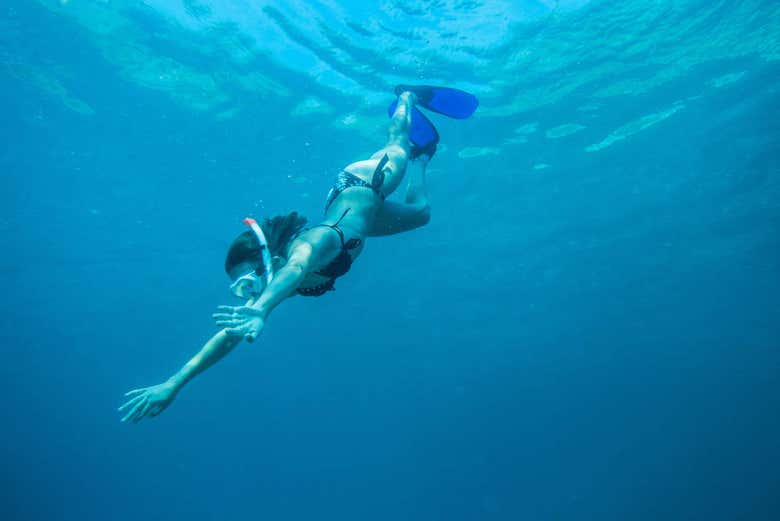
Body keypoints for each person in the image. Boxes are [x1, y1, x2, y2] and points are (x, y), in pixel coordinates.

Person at [118, 85, 478, 423]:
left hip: (365, 184)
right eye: (242, 289)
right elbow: (229, 335)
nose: (251, 292)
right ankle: (423, 158)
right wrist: (173, 383)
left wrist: (259, 310)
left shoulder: (312, 244)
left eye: (249, 281)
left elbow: (297, 266)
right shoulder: (278, 283)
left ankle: (407, 96)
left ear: (269, 261)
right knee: (421, 215)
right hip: (365, 220)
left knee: (396, 144)